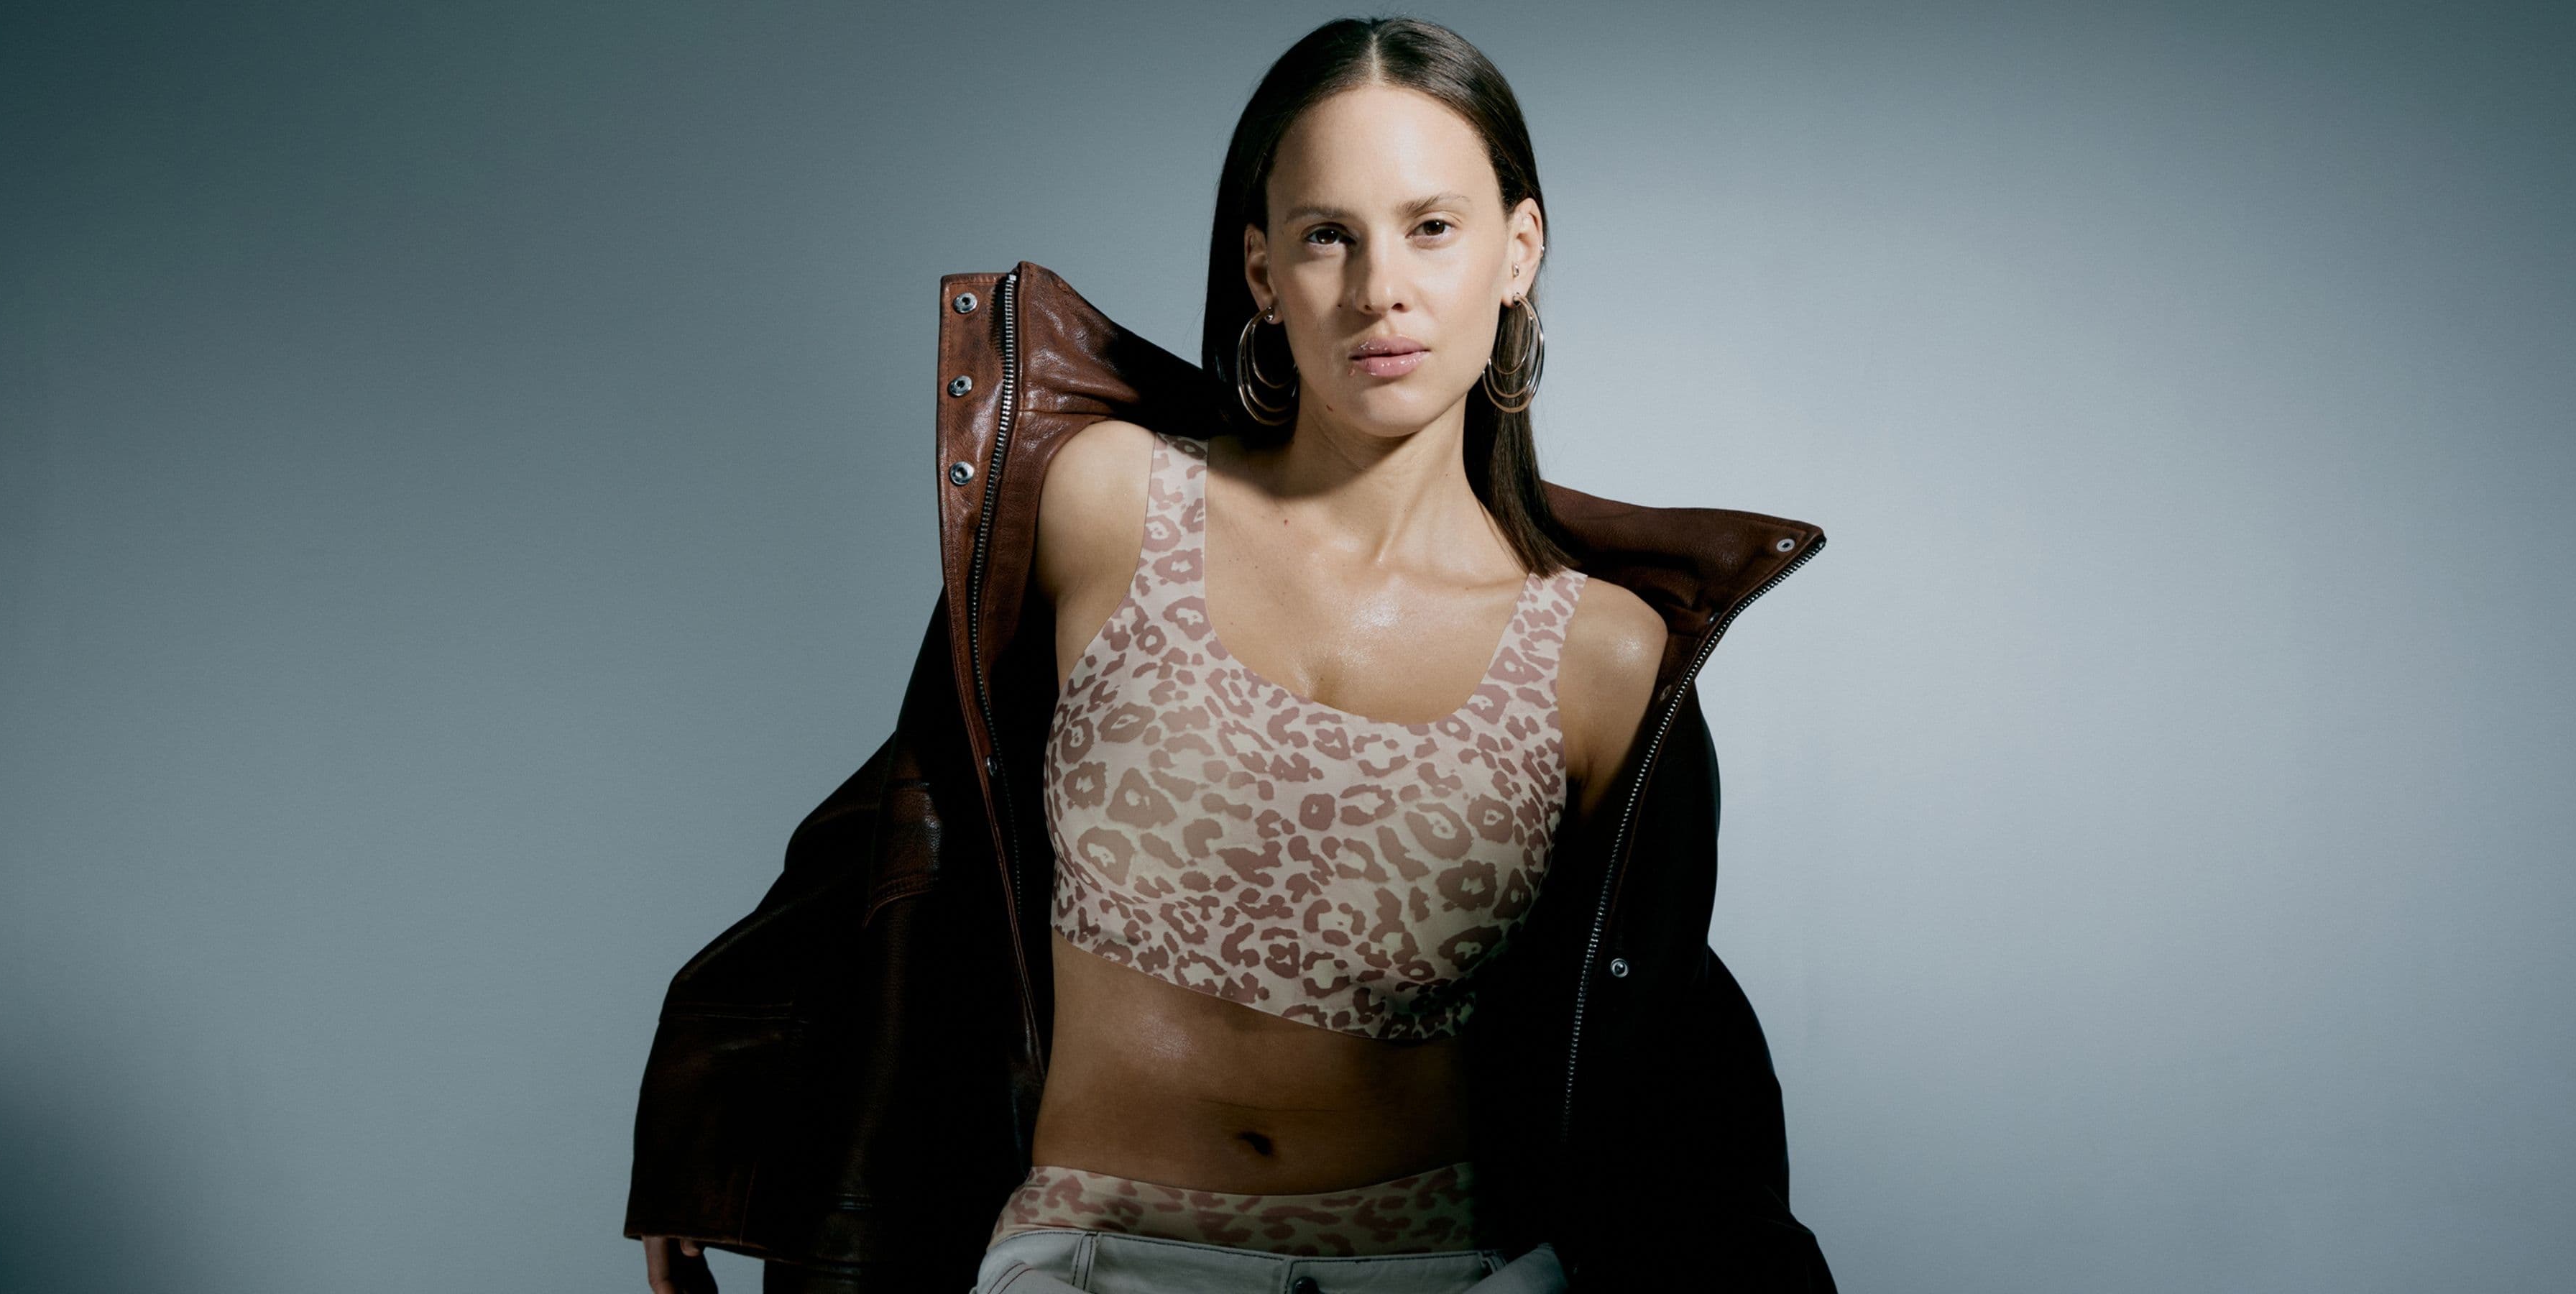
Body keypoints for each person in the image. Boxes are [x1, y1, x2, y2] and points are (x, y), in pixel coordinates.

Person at [627, 16, 1834, 1294]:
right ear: (1262, 271)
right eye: (1328, 235)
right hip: (1090, 1258)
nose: (1381, 289)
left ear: (1517, 251)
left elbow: (1659, 1046)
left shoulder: (1604, 652)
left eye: (1433, 227)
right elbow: (907, 819)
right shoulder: (1102, 505)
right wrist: (718, 1123)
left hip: (1452, 1270)